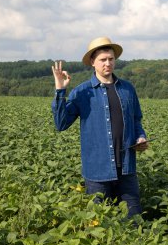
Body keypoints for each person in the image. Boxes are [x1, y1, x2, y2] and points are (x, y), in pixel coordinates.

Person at [51, 36, 148, 218]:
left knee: (134, 219)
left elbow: (136, 120)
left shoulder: (127, 89)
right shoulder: (82, 92)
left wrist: (140, 137)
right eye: (103, 60)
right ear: (92, 62)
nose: (108, 63)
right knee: (99, 222)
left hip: (127, 168)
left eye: (111, 59)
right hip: (97, 171)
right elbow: (61, 123)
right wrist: (60, 89)